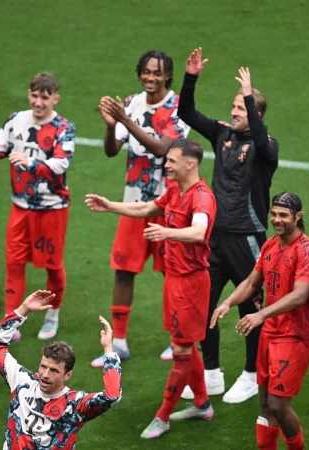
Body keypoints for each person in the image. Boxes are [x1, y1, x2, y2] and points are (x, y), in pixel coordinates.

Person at [85, 138, 216, 439]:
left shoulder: (202, 197)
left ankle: (163, 415)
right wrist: (110, 206)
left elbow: (199, 231)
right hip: (174, 279)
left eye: (171, 160)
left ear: (190, 164)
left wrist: (166, 231)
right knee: (184, 342)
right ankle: (202, 404)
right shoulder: (175, 191)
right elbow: (146, 207)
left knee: (182, 349)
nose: (166, 164)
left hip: (192, 283)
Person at [177, 47, 279, 404]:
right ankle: (212, 373)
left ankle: (251, 375)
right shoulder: (222, 135)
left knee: (249, 308)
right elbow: (186, 112)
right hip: (214, 238)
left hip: (248, 238)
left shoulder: (266, 146)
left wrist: (250, 95)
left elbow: (262, 136)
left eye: (240, 108)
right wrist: (191, 77)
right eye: (234, 106)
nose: (233, 112)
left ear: (255, 113)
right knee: (205, 306)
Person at [0, 73, 75, 341]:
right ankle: (12, 322)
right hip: (20, 208)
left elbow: (61, 164)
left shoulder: (63, 128)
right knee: (14, 264)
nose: (38, 102)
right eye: (34, 96)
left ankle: (52, 314)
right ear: (29, 94)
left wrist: (32, 163)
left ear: (55, 99)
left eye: (44, 98)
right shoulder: (16, 120)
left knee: (52, 266)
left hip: (51, 209)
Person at [95, 49, 189, 365]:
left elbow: (163, 148)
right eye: (146, 72)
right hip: (133, 203)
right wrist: (112, 125)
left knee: (173, 275)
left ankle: (178, 339)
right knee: (123, 270)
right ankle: (118, 343)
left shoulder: (178, 108)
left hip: (168, 207)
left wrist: (124, 119)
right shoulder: (133, 102)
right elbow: (111, 151)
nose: (151, 78)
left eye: (157, 73)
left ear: (168, 77)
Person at [211, 192, 309, 450]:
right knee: (264, 402)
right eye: (274, 214)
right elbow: (251, 282)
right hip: (271, 332)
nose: (276, 220)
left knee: (279, 406)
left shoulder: (307, 251)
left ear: (298, 216)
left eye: (283, 215)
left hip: (294, 335)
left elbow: (300, 295)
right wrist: (229, 302)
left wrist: (260, 314)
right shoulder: (270, 245)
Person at [0, 290, 121, 449]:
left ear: (68, 375)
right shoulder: (22, 381)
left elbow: (112, 397)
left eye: (54, 371)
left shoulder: (75, 405)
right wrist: (23, 309)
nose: (45, 375)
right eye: (43, 367)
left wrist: (108, 348)